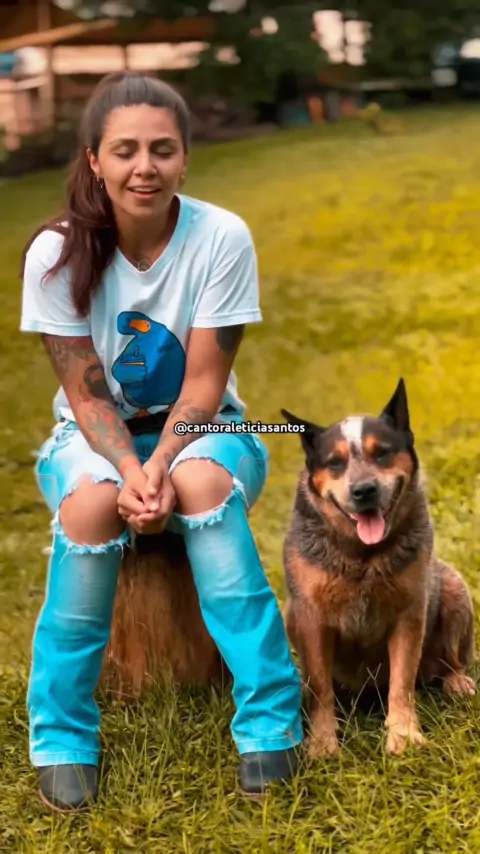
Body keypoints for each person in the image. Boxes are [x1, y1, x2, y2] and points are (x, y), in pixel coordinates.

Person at [19, 71, 304, 813]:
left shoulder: (221, 236)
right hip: (92, 436)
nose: (144, 167)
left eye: (162, 150)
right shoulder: (54, 252)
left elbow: (204, 385)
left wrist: (161, 464)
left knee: (202, 486)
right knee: (89, 509)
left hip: (207, 428)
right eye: (125, 151)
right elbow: (86, 394)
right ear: (95, 160)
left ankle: (271, 720)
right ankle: (62, 735)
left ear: (184, 158)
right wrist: (128, 469)